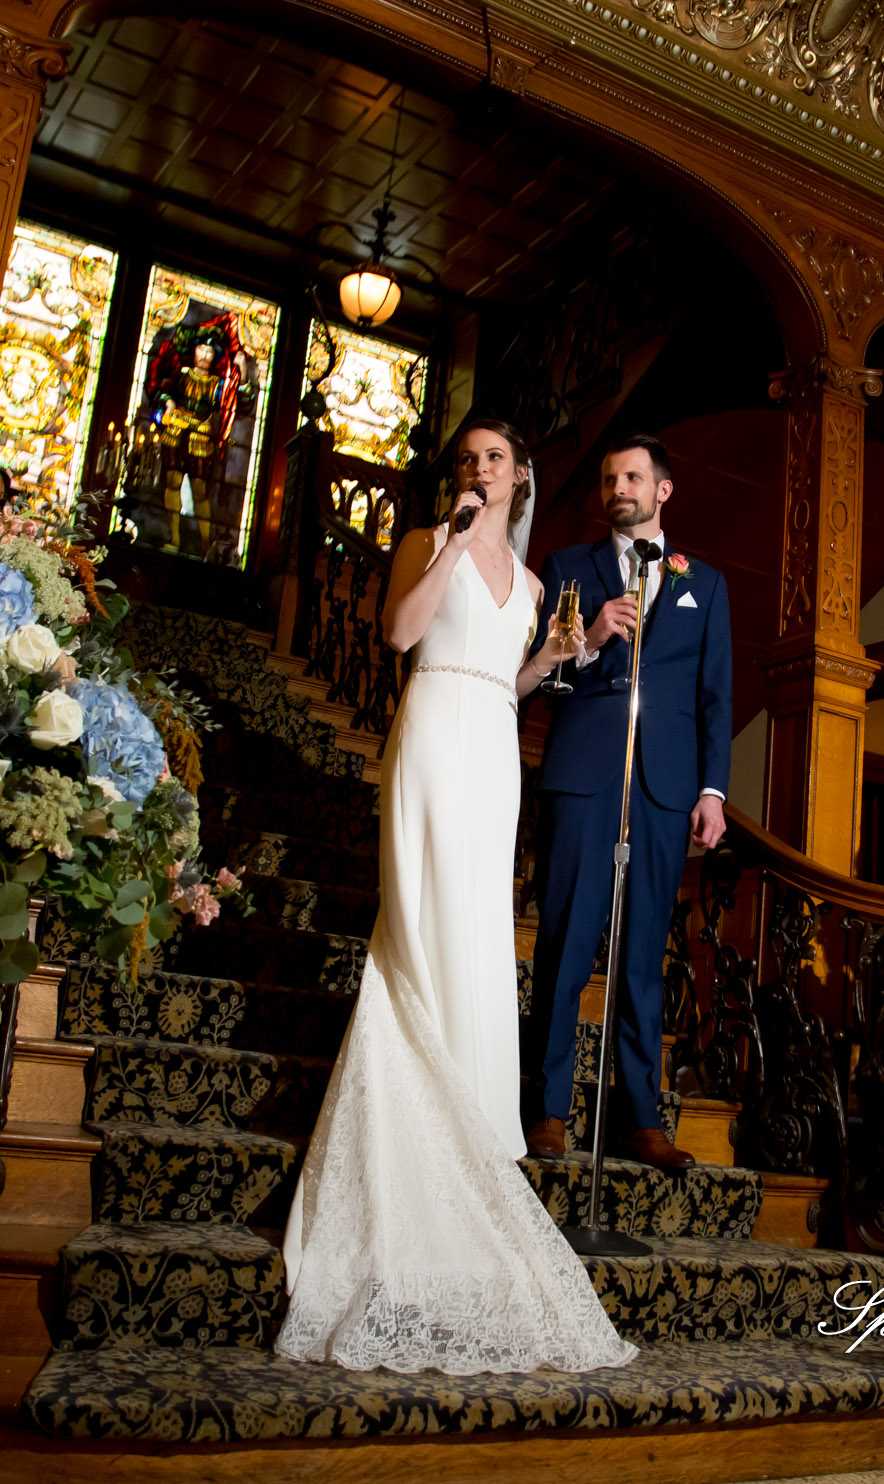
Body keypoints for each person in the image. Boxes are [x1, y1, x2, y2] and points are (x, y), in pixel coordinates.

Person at [277, 419, 636, 1374]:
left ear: (523, 475)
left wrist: (568, 650)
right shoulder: (421, 545)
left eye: (496, 461)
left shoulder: (530, 585)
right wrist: (452, 538)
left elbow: (509, 684)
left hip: (491, 748)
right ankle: (402, 1150)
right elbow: (399, 632)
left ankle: (466, 1146)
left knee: (478, 937)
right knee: (419, 932)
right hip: (431, 735)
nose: (481, 471)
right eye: (468, 461)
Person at [522, 434, 731, 1168]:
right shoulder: (565, 568)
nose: (619, 487)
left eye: (633, 477)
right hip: (584, 772)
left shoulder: (702, 583)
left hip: (665, 786)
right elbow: (543, 682)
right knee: (565, 946)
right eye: (610, 477)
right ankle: (545, 1110)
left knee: (643, 956)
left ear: (661, 491)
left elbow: (714, 696)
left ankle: (641, 1118)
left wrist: (711, 789)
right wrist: (588, 642)